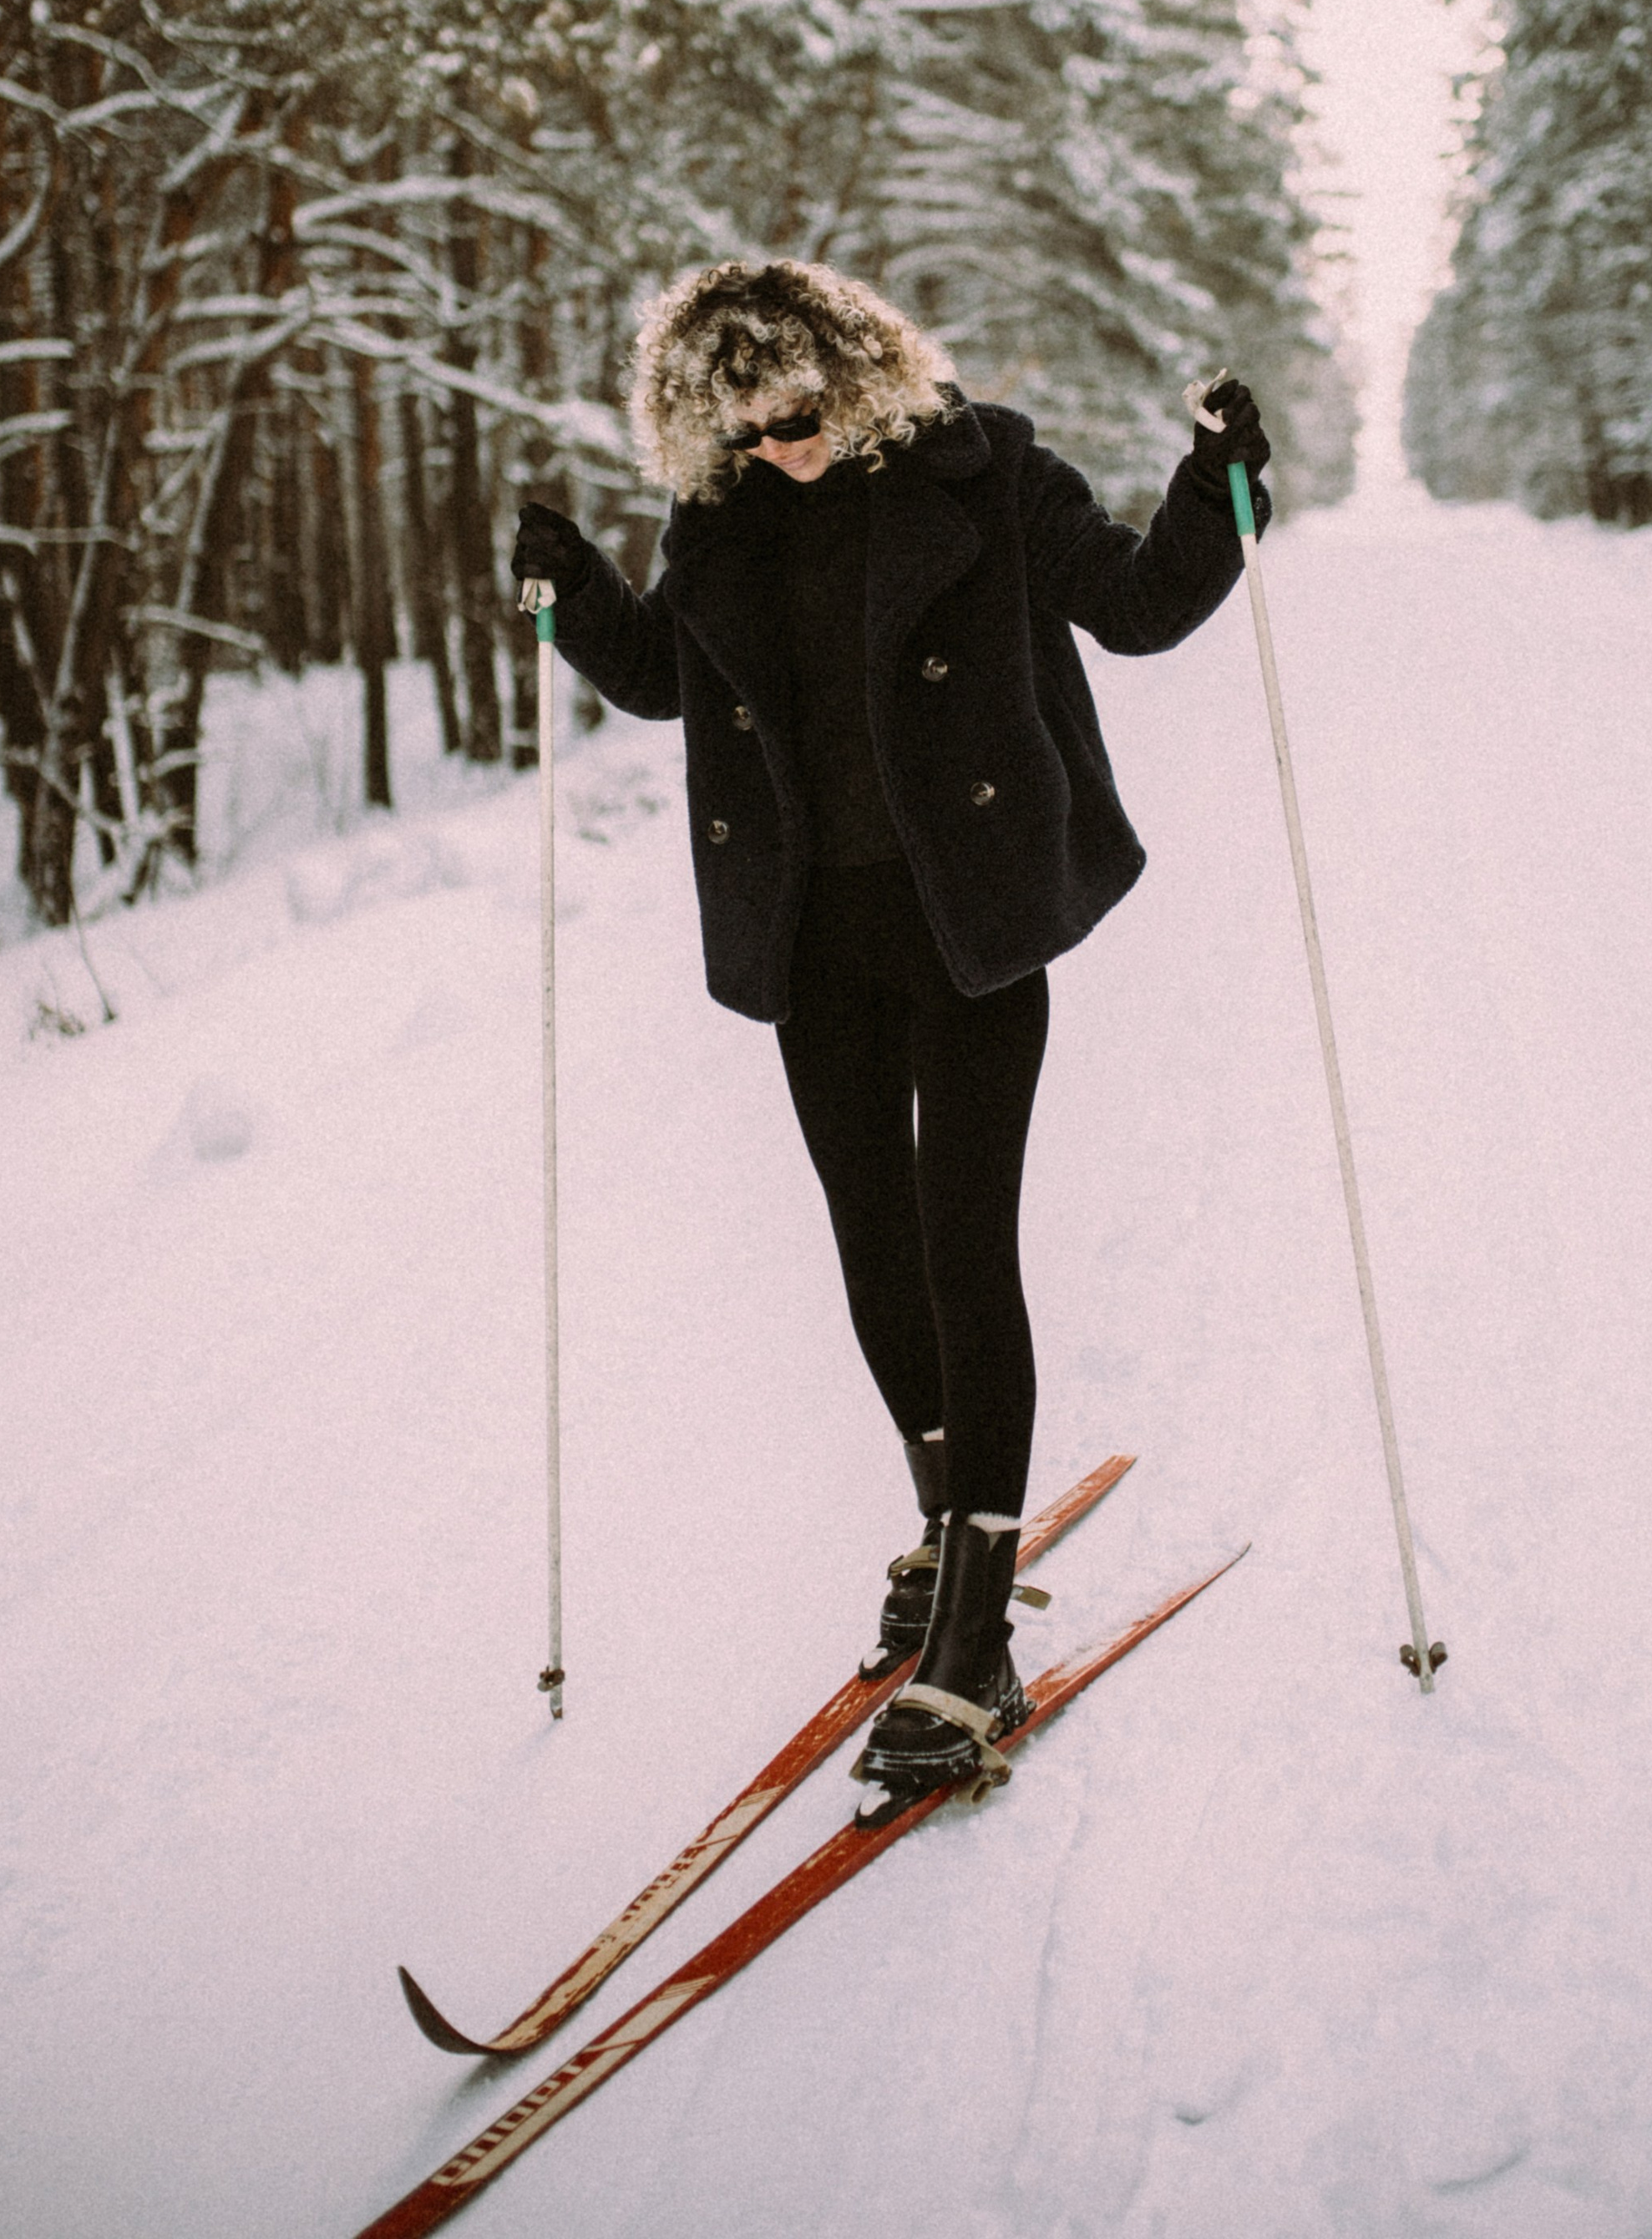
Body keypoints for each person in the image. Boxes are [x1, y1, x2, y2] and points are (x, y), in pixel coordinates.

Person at [510, 258, 1269, 1800]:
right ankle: (944, 1524)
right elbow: (664, 677)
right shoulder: (721, 520)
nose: (782, 442)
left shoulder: (981, 473)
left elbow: (1133, 606)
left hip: (970, 924)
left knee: (958, 1238)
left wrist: (1219, 487)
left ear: (853, 372)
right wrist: (575, 589)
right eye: (746, 424)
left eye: (799, 410)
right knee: (869, 1238)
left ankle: (977, 1632)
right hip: (816, 934)